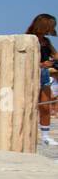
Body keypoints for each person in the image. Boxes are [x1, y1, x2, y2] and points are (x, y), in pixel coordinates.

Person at [26, 14, 57, 146]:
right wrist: (40, 64)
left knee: (45, 106)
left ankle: (45, 136)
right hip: (29, 75)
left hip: (43, 75)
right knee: (27, 106)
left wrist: (51, 62)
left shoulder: (46, 42)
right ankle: (27, 134)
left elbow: (55, 56)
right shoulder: (28, 39)